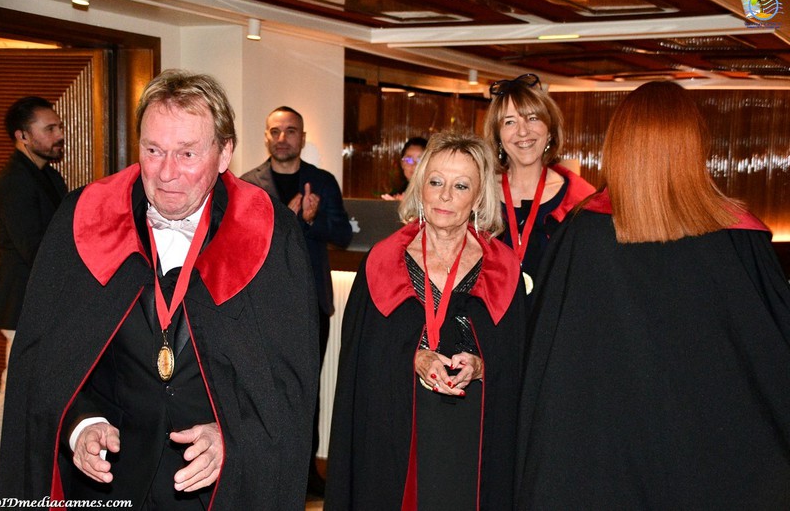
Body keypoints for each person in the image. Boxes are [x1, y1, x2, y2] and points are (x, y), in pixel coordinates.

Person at [0, 70, 319, 510]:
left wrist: (231, 435)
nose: (167, 173)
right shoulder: (84, 218)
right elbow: (47, 362)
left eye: (187, 153)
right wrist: (80, 423)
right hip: (107, 482)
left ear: (224, 153)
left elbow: (286, 383)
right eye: (153, 150)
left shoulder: (269, 233)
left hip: (213, 488)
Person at [516, 81, 790, 508]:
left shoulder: (581, 237)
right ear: (694, 146)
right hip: (717, 467)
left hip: (603, 466)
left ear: (618, 145)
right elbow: (773, 355)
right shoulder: (737, 240)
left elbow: (548, 364)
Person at [326, 131, 527, 510]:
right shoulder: (382, 262)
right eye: (436, 182)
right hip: (396, 426)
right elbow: (360, 364)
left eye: (461, 185)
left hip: (474, 431)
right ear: (420, 188)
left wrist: (482, 366)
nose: (445, 195)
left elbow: (519, 361)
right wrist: (414, 358)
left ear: (478, 197)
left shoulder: (504, 268)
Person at [240, 105, 352, 495]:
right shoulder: (248, 184)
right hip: (262, 305)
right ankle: (265, 468)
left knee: (307, 388)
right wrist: (282, 222)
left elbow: (343, 234)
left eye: (290, 131)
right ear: (266, 137)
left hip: (310, 304)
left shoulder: (322, 181)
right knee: (261, 387)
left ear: (302, 138)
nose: (282, 138)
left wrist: (311, 220)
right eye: (275, 131)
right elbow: (237, 243)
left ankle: (305, 474)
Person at [0, 96, 68, 475]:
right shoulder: (12, 183)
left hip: (41, 302)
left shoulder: (49, 176)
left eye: (59, 126)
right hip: (21, 303)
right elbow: (36, 249)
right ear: (23, 136)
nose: (59, 134)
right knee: (15, 389)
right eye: (49, 128)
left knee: (30, 387)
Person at [484, 73, 594, 297]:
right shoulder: (478, 196)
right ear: (498, 137)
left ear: (550, 130)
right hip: (490, 317)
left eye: (532, 118)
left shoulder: (580, 201)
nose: (523, 131)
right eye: (509, 122)